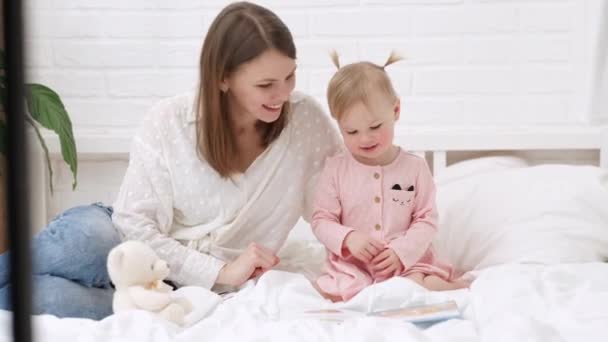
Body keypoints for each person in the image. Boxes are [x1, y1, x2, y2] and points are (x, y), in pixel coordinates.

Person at [0, 1, 341, 320]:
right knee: (87, 245)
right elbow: (133, 223)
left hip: (171, 291)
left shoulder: (305, 122)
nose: (283, 95)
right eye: (266, 84)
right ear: (223, 77)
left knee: (49, 300)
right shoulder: (170, 120)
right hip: (125, 239)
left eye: (290, 77)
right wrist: (220, 271)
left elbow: (339, 201)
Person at [311, 52, 469, 302]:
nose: (365, 139)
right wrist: (349, 238)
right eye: (351, 131)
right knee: (336, 291)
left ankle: (434, 287)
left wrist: (401, 252)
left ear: (395, 110)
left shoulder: (415, 168)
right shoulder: (336, 169)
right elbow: (321, 220)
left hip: (407, 262)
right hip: (354, 265)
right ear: (339, 124)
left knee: (424, 285)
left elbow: (426, 219)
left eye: (375, 127)